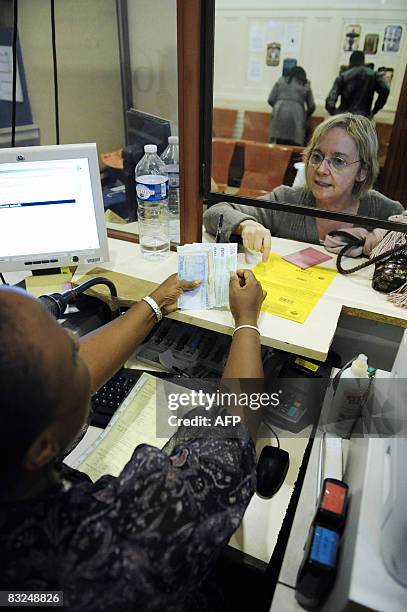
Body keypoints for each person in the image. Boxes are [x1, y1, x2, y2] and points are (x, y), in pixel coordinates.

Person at [0, 269, 266, 611]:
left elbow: (44, 389)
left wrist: (155, 304)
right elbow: (232, 431)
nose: (77, 340)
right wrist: (247, 320)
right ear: (41, 449)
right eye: (71, 356)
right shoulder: (120, 546)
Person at [203, 113, 403, 262]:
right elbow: (216, 212)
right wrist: (246, 224)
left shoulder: (386, 211)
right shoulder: (286, 200)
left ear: (362, 172)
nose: (321, 169)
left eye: (338, 161)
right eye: (316, 157)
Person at [325, 50, 389, 118]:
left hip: (344, 116)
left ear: (350, 61)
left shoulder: (343, 76)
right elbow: (385, 90)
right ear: (363, 61)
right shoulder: (373, 75)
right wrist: (374, 110)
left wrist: (335, 114)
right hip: (363, 117)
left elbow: (330, 100)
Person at [267, 66, 315, 146]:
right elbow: (311, 106)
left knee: (279, 147)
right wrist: (305, 115)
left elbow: (270, 99)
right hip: (297, 118)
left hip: (278, 117)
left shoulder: (280, 81)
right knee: (295, 149)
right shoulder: (305, 84)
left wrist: (278, 107)